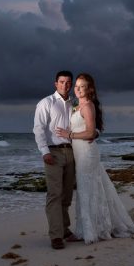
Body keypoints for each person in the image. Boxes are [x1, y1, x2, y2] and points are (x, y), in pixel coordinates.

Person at [55, 73, 134, 244]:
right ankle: (89, 227)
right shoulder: (77, 106)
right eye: (76, 86)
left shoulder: (87, 106)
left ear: (89, 89)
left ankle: (91, 230)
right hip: (79, 152)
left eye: (81, 86)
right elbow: (94, 131)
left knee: (87, 189)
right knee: (90, 188)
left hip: (86, 152)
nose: (77, 89)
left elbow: (91, 132)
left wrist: (69, 134)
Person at [33, 70, 80, 250]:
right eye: (61, 82)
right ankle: (56, 236)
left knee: (67, 195)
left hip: (71, 152)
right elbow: (38, 129)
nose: (65, 85)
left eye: (68, 82)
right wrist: (44, 152)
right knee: (54, 194)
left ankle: (65, 230)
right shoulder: (46, 103)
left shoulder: (73, 103)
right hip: (53, 153)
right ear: (55, 84)